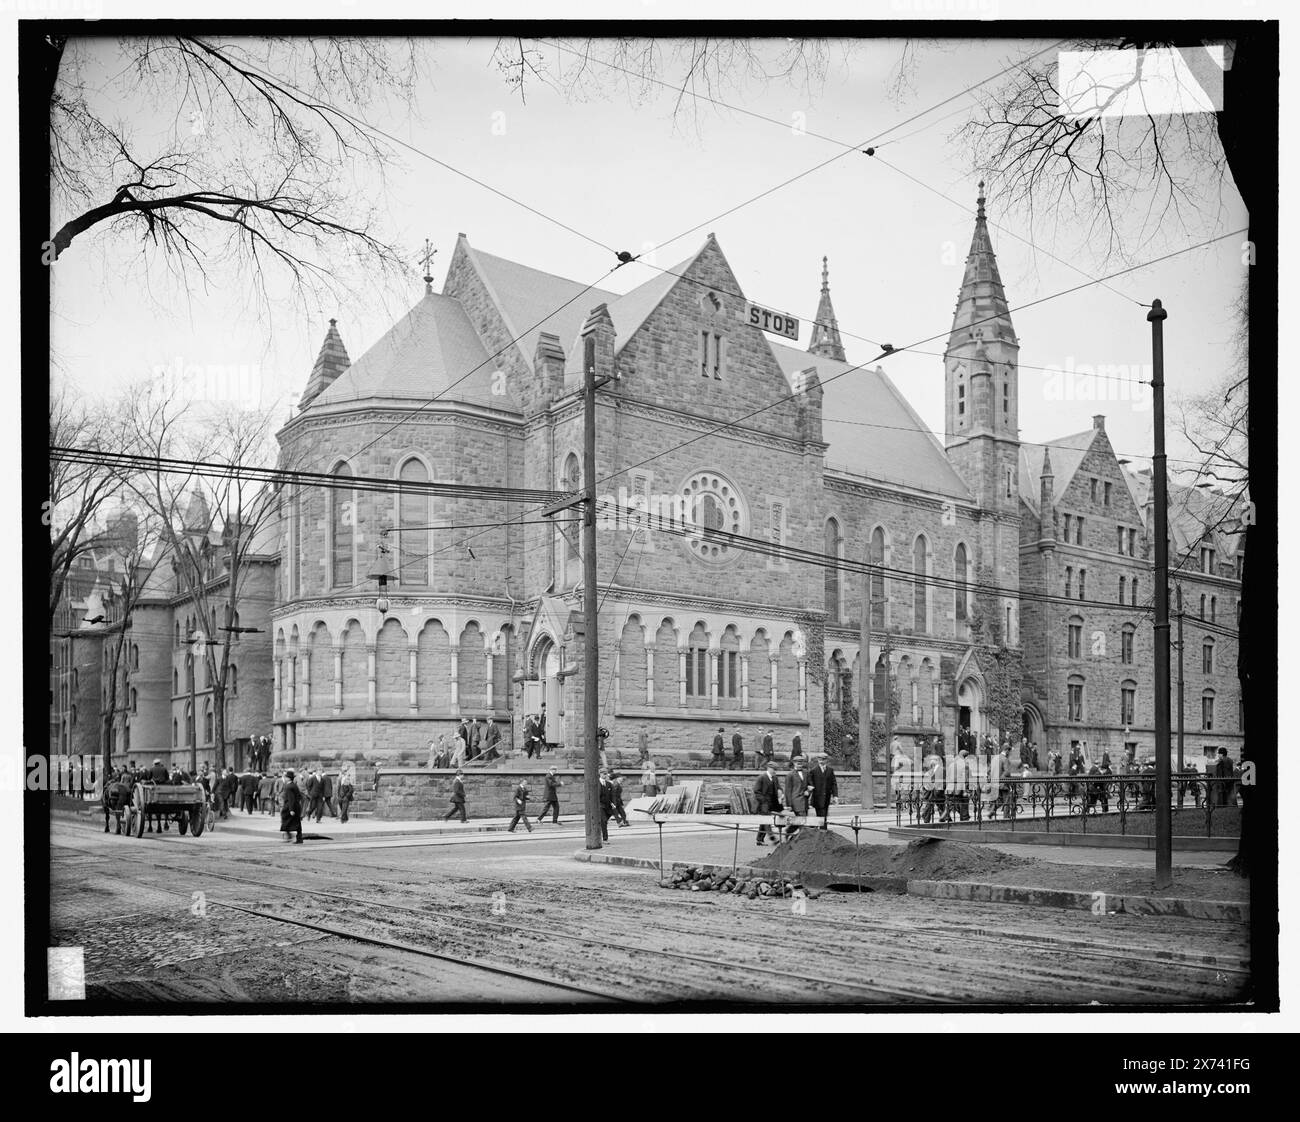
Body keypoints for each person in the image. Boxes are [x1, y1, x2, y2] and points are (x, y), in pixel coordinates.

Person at [753, 762, 782, 846]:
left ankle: (759, 840)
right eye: (774, 769)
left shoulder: (775, 778)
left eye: (776, 770)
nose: (775, 771)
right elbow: (756, 791)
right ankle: (772, 837)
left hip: (772, 803)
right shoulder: (761, 778)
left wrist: (780, 791)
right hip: (763, 804)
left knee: (764, 822)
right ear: (768, 768)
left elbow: (779, 787)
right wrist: (763, 800)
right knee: (767, 820)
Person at [784, 758, 811, 842]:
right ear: (794, 764)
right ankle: (803, 840)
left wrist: (808, 791)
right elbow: (787, 790)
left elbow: (810, 784)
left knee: (800, 820)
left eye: (800, 763)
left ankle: (788, 831)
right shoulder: (790, 775)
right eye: (797, 763)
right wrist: (788, 804)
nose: (799, 765)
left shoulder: (806, 773)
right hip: (796, 800)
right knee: (802, 820)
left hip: (805, 800)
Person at [808, 753, 838, 827]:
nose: (821, 761)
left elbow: (833, 783)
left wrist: (835, 796)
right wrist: (810, 788)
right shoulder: (813, 771)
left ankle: (821, 832)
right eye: (819, 759)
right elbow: (810, 783)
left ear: (826, 760)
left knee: (823, 817)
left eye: (823, 759)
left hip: (826, 798)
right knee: (821, 817)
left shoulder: (830, 770)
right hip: (817, 798)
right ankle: (823, 833)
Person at [280, 768, 303, 844]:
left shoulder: (289, 787)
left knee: (286, 820)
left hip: (290, 807)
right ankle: (298, 838)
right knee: (297, 823)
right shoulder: (293, 785)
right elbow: (299, 796)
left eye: (286, 777)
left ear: (288, 778)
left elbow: (291, 799)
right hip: (295, 806)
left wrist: (291, 809)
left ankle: (289, 835)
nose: (285, 778)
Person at [597, 770, 614, 842]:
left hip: (607, 805)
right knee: (604, 821)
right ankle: (605, 838)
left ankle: (599, 828)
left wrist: (612, 803)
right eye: (604, 774)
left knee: (604, 821)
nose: (605, 775)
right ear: (600, 774)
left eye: (606, 774)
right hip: (599, 805)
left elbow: (611, 795)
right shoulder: (596, 783)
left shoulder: (608, 784)